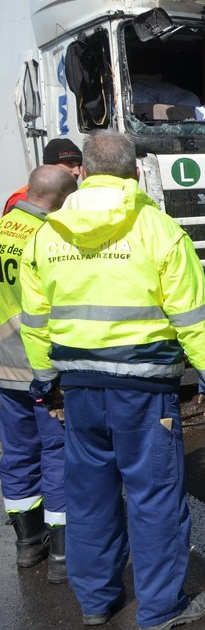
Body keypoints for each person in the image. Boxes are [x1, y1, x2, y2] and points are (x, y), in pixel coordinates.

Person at [18, 130, 205, 630]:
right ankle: (160, 608)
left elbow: (36, 320)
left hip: (78, 390)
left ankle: (96, 601)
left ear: (84, 173)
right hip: (144, 392)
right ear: (135, 174)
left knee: (90, 498)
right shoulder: (160, 231)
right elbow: (195, 316)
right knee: (154, 497)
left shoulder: (47, 236)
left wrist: (46, 380)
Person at [0, 165, 77, 583]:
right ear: (63, 199)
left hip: (1, 367)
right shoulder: (48, 239)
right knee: (58, 453)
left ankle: (28, 544)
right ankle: (63, 553)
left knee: (16, 453)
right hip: (39, 366)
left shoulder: (2, 227)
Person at [3, 138, 83, 215]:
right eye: (69, 164)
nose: (77, 172)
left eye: (79, 165)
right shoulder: (22, 198)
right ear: (49, 166)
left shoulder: (77, 195)